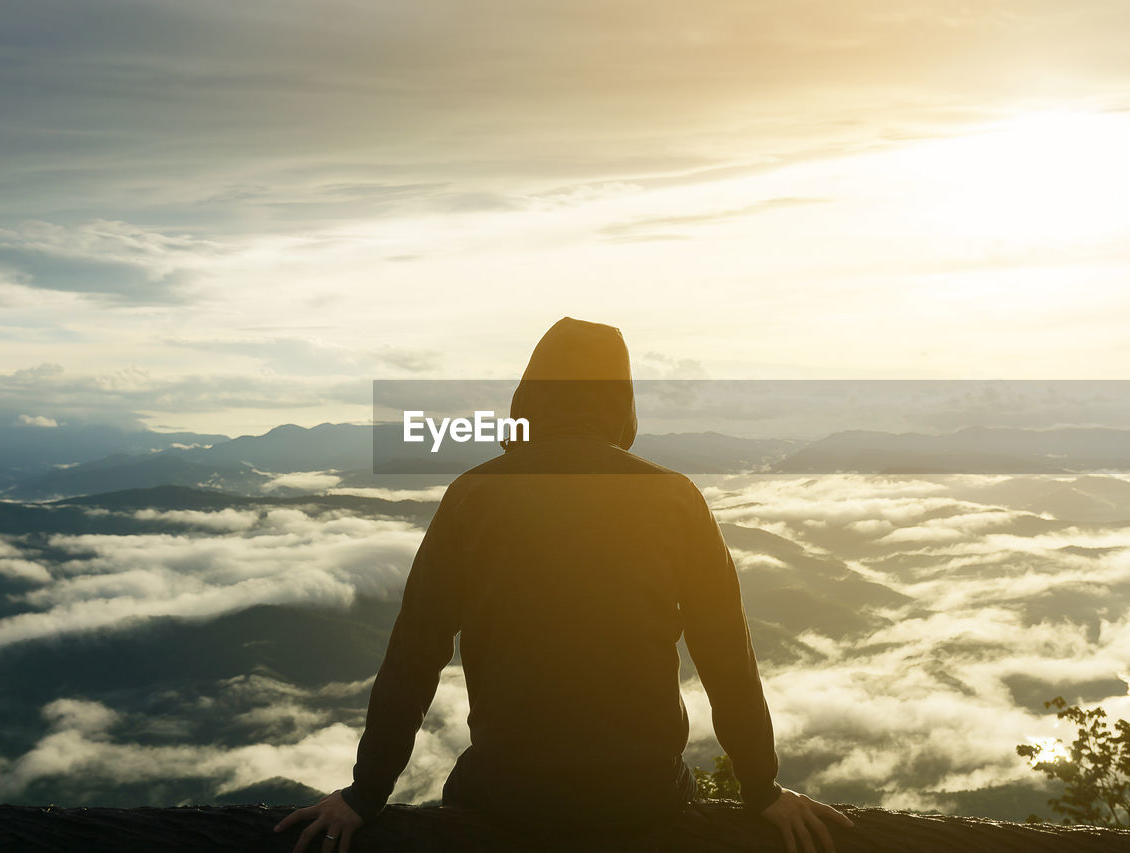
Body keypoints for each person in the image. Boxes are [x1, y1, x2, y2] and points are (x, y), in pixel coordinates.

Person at [275, 318, 853, 853]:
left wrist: (365, 794)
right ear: (621, 400)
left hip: (508, 794)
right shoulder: (676, 497)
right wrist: (762, 788)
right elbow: (726, 653)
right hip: (642, 796)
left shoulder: (473, 496)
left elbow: (415, 653)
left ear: (529, 395)